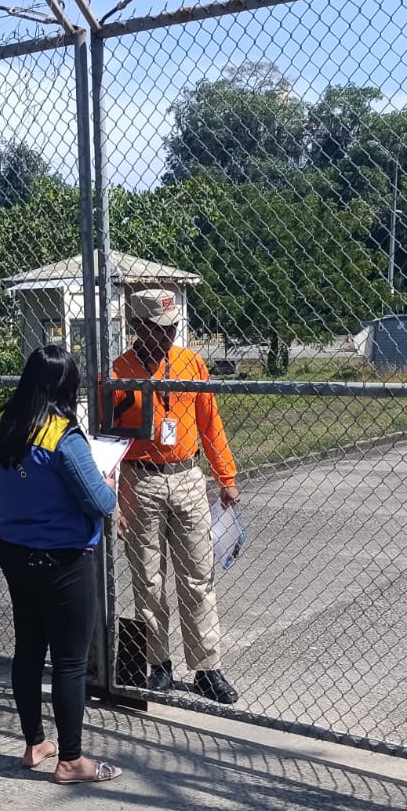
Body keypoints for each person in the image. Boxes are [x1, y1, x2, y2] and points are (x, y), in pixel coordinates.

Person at [0, 344, 122, 784]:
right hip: (64, 559)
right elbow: (100, 502)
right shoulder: (62, 435)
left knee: (28, 649)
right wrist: (107, 480)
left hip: (15, 551)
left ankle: (34, 743)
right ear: (66, 387)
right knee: (69, 661)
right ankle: (71, 760)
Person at [110, 289, 241, 704]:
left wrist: (226, 476)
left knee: (198, 577)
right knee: (148, 580)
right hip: (140, 480)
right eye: (159, 329)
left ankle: (207, 668)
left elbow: (210, 422)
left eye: (172, 328)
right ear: (137, 326)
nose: (168, 336)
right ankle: (158, 664)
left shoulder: (190, 363)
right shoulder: (119, 371)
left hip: (186, 476)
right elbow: (109, 440)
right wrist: (115, 497)